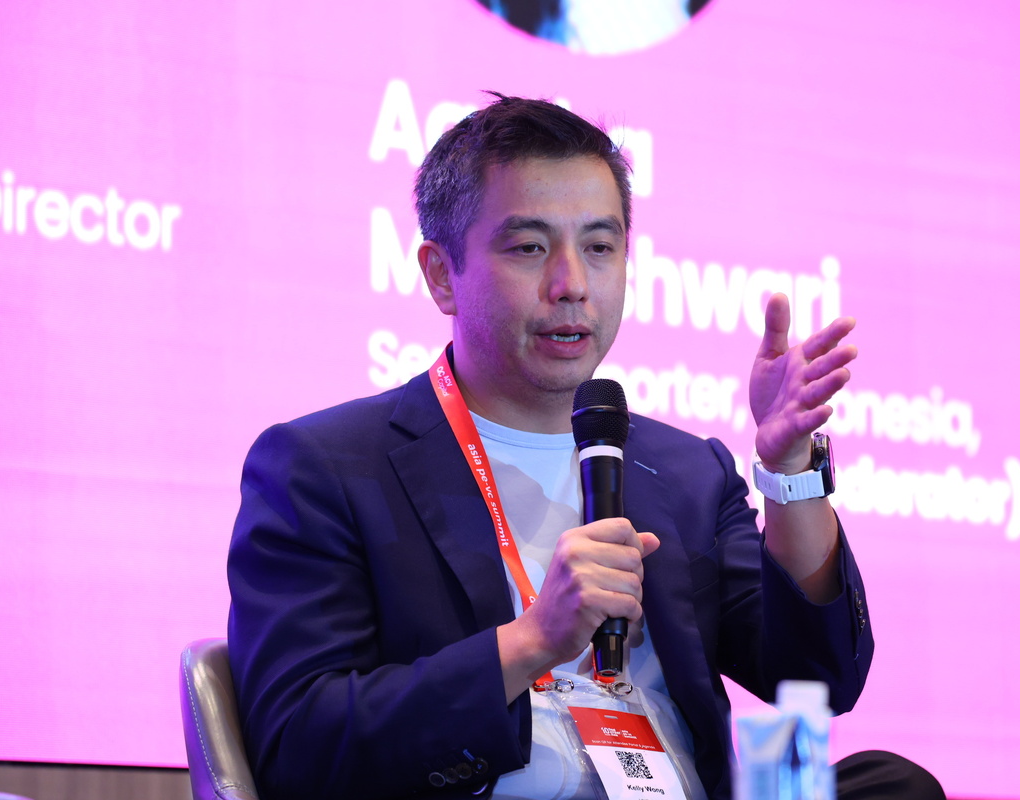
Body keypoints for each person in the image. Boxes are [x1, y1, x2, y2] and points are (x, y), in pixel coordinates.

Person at [226, 94, 943, 800]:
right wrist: (531, 641)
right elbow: (297, 749)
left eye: (599, 247)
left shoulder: (686, 472)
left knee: (893, 787)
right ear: (442, 274)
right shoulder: (329, 468)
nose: (571, 285)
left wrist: (789, 473)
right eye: (530, 248)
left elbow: (819, 679)